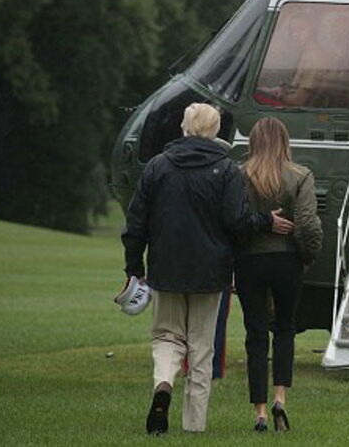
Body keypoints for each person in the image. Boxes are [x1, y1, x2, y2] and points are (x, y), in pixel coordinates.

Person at [121, 103, 292, 435]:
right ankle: (194, 425)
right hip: (211, 272)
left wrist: (133, 267)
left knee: (166, 336)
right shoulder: (226, 170)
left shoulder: (157, 166)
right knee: (201, 347)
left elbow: (136, 222)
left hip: (165, 269)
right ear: (215, 132)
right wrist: (266, 221)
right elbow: (238, 222)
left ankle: (164, 383)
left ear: (184, 127)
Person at [235, 117, 323, 432]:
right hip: (287, 260)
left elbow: (233, 220)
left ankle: (259, 413)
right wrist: (307, 253)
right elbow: (308, 223)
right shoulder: (300, 176)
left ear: (253, 142)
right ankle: (280, 398)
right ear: (285, 142)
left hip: (249, 261)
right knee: (284, 328)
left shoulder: (239, 175)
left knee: (255, 334)